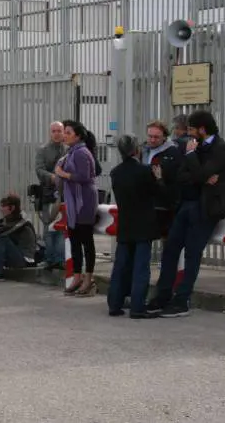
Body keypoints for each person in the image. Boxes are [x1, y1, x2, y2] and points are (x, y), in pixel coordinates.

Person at [147, 110, 225, 318]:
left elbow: (200, 174)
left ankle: (182, 300)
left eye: (192, 129)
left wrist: (193, 159)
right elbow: (182, 176)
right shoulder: (192, 147)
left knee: (192, 254)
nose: (189, 133)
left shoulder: (220, 149)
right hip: (185, 205)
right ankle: (162, 295)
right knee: (170, 250)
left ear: (202, 129)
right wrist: (201, 176)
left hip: (205, 209)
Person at [107, 134, 165, 319]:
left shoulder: (115, 172)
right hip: (144, 224)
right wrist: (159, 178)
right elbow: (158, 193)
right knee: (141, 267)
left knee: (121, 266)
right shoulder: (145, 171)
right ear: (136, 150)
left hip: (125, 223)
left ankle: (114, 303)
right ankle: (137, 306)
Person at [55, 120, 99, 297]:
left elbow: (84, 176)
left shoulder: (81, 152)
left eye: (68, 133)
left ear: (78, 136)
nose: (64, 135)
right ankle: (77, 276)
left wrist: (63, 174)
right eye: (64, 132)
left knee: (86, 241)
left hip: (84, 202)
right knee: (74, 240)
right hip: (73, 202)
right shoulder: (71, 152)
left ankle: (88, 278)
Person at [34, 121, 66, 270]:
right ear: (50, 133)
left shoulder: (68, 149)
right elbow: (39, 169)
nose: (56, 134)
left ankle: (60, 258)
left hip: (65, 193)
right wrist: (52, 177)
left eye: (59, 131)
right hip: (48, 193)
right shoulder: (43, 150)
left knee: (62, 226)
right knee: (49, 225)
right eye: (54, 131)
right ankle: (49, 258)